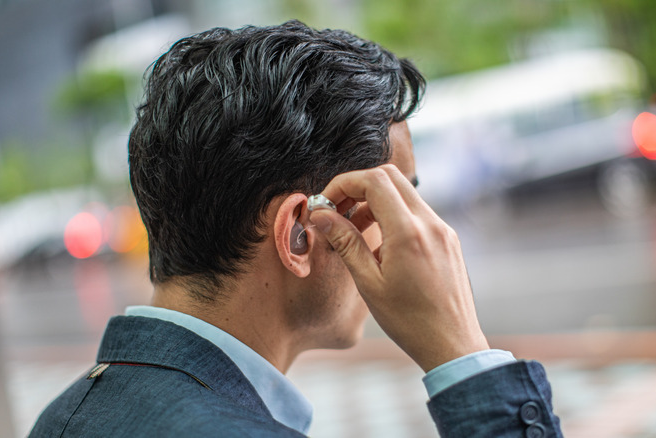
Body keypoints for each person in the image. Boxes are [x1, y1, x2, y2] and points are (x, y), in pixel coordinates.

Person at [30, 21, 562, 437]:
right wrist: (464, 356)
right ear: (301, 233)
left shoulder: (64, 415)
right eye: (396, 201)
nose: (425, 235)